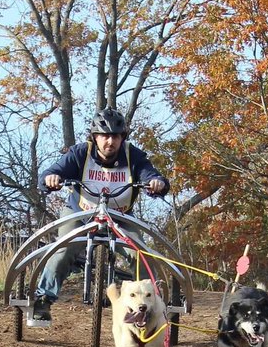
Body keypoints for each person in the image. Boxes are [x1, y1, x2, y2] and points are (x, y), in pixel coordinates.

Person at [29, 108, 170, 326]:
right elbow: (49, 173)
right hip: (81, 214)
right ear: (95, 137)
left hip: (121, 217)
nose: (110, 141)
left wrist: (156, 183)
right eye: (105, 136)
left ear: (122, 137)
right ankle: (43, 299)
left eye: (115, 136)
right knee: (63, 248)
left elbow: (150, 174)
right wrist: (51, 178)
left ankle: (150, 307)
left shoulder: (134, 156)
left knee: (140, 254)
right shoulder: (79, 153)